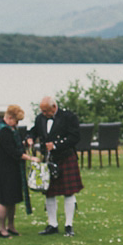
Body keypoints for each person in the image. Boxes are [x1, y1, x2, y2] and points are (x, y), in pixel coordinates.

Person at [25, 96, 83, 237]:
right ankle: (52, 224)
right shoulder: (40, 118)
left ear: (54, 107)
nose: (44, 114)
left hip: (65, 157)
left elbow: (75, 137)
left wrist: (56, 145)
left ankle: (69, 225)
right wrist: (29, 137)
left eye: (46, 111)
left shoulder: (68, 117)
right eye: (42, 111)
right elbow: (33, 131)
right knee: (49, 192)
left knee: (68, 192)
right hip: (49, 160)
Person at [0, 104, 40, 238]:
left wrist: (25, 143)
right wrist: (30, 158)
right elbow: (12, 151)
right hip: (2, 169)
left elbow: (14, 145)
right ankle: (2, 228)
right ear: (9, 117)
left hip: (12, 168)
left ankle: (11, 226)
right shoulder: (2, 131)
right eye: (16, 121)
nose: (17, 124)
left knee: (12, 198)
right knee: (5, 199)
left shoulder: (9, 129)